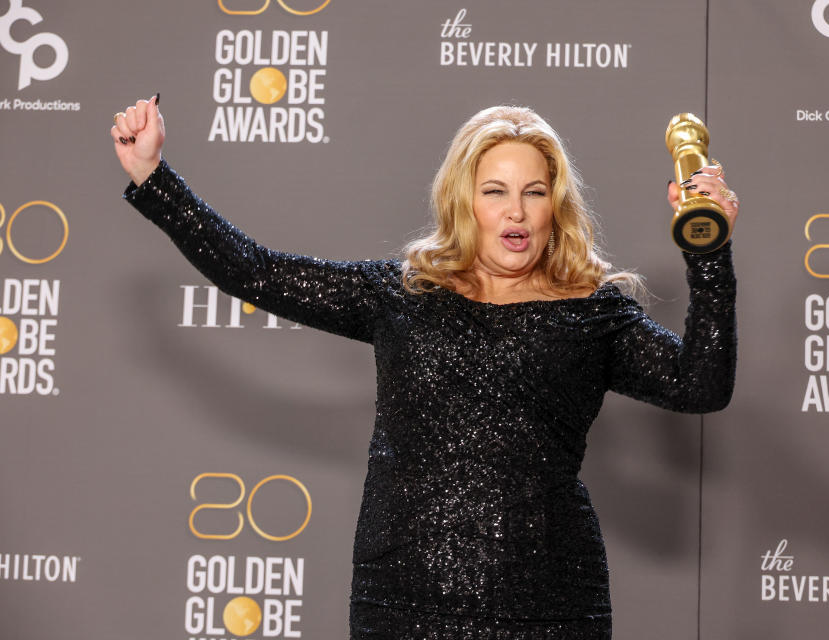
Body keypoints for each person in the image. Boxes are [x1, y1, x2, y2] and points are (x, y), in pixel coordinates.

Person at [111, 96, 738, 639]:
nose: (515, 212)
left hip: (550, 604)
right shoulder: (403, 295)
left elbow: (700, 383)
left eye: (533, 192)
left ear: (557, 205)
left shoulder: (593, 313)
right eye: (495, 191)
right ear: (465, 200)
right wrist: (153, 175)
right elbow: (256, 271)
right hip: (403, 602)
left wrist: (708, 253)